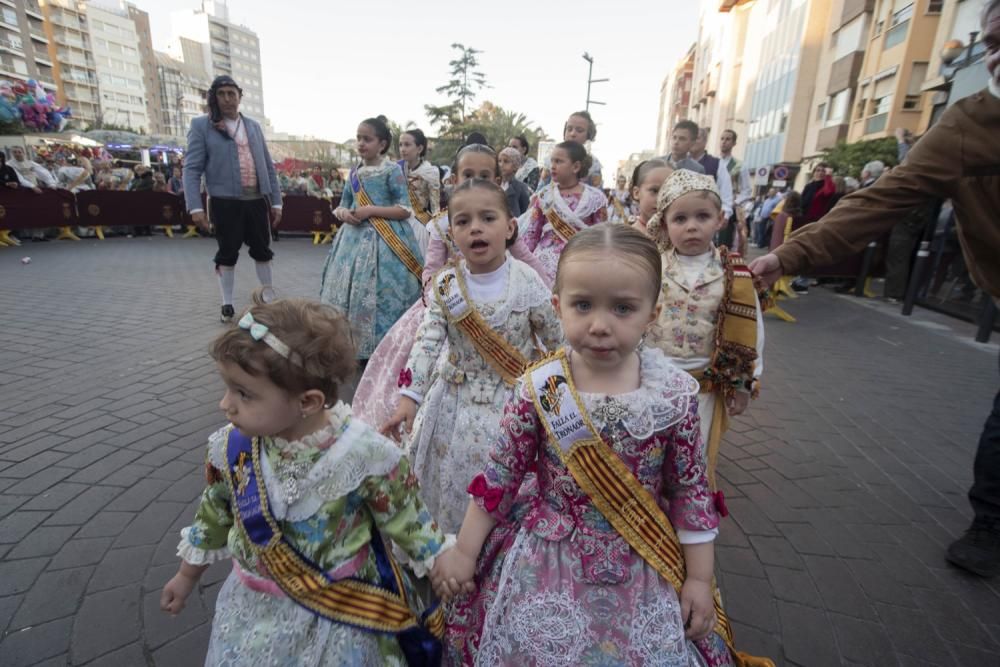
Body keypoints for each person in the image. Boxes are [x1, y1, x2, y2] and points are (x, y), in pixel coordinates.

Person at [434, 224, 770, 667]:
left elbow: (689, 492)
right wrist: (464, 551)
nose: (599, 325)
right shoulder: (542, 387)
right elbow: (501, 477)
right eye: (583, 305)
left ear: (653, 313)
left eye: (623, 308)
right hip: (543, 559)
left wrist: (700, 581)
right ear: (558, 307)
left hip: (643, 559)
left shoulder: (672, 395)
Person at [750, 0, 1000, 578]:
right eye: (993, 40)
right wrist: (786, 256)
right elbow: (879, 201)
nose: (999, 53)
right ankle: (991, 518)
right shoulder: (967, 126)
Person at [159, 292, 454, 665]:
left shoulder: (362, 453)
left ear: (308, 402)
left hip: (341, 617)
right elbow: (214, 514)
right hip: (252, 613)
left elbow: (408, 519)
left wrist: (442, 561)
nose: (225, 404)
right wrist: (187, 576)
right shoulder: (231, 449)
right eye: (228, 388)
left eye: (243, 394)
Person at [381, 179, 562, 533]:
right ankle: (450, 547)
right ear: (451, 233)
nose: (475, 228)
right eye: (463, 222)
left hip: (513, 409)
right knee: (447, 482)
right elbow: (427, 341)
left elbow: (558, 342)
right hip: (452, 404)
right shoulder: (447, 285)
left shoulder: (527, 282)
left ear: (510, 227)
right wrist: (408, 399)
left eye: (488, 218)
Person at [351, 140, 550, 435]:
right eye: (468, 175)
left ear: (497, 182)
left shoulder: (504, 227)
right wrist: (436, 297)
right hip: (449, 304)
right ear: (454, 180)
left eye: (484, 176)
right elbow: (431, 269)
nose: (475, 182)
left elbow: (528, 259)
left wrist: (548, 288)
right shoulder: (443, 225)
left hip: (502, 305)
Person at [644, 170, 765, 489]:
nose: (691, 226)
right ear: (665, 223)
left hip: (704, 389)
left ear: (720, 219)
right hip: (653, 382)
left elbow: (752, 332)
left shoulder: (735, 274)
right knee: (648, 453)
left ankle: (688, 517)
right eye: (680, 218)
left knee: (692, 458)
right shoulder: (651, 266)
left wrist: (742, 384)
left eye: (702, 216)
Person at [320, 115, 421, 366]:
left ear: (382, 144)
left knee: (382, 294)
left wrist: (370, 211)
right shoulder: (354, 173)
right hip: (351, 242)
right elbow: (343, 204)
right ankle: (349, 343)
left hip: (386, 242)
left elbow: (404, 209)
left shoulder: (392, 170)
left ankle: (382, 345)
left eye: (367, 139)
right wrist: (344, 213)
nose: (361, 144)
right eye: (358, 138)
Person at [183, 74, 283, 323]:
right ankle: (227, 302)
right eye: (222, 94)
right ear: (213, 98)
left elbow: (267, 166)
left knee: (262, 250)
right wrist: (195, 207)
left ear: (239, 97)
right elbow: (192, 169)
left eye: (232, 94)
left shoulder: (253, 126)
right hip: (224, 201)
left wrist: (276, 200)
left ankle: (269, 298)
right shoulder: (201, 126)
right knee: (227, 252)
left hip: (256, 199)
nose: (227, 99)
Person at [519, 140, 609, 283]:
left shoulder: (595, 198)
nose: (552, 166)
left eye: (559, 161)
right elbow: (532, 234)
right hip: (544, 264)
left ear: (576, 166)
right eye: (552, 161)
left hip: (582, 263)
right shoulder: (544, 196)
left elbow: (602, 236)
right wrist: (522, 263)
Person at [718, 129, 752, 251]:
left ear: (734, 143)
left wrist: (734, 203)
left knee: (724, 242)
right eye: (722, 139)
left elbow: (747, 190)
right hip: (712, 204)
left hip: (728, 209)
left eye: (728, 139)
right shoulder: (715, 162)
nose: (724, 142)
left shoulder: (739, 165)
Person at [399, 128, 441, 223]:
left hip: (420, 222)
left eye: (407, 145)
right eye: (400, 145)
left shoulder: (430, 172)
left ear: (419, 149)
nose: (402, 149)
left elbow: (435, 206)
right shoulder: (397, 169)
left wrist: (437, 228)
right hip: (398, 220)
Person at [627, 158, 672, 234]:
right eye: (655, 191)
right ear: (636, 193)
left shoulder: (680, 236)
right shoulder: (628, 238)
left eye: (669, 191)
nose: (662, 199)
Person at [497, 146, 532, 217]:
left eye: (506, 161)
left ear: (515, 166)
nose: (501, 165)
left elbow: (525, 212)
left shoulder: (521, 187)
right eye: (499, 161)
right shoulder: (495, 184)